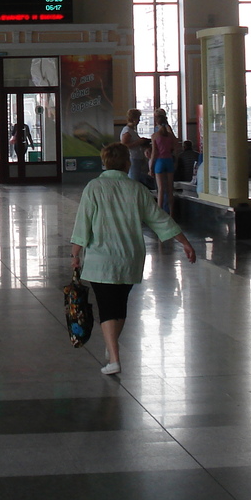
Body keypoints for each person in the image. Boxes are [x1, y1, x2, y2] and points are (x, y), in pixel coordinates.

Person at [69, 142, 197, 375]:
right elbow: (159, 219)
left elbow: (83, 222)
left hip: (101, 259)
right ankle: (112, 347)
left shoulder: (94, 187)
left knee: (107, 308)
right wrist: (184, 242)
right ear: (127, 163)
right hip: (129, 257)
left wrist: (75, 253)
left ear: (104, 162)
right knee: (119, 308)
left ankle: (114, 359)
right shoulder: (136, 189)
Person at [148, 109, 178, 214]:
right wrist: (176, 161)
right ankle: (172, 214)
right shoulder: (169, 135)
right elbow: (175, 145)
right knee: (170, 189)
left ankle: (159, 215)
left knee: (160, 190)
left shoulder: (155, 136)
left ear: (156, 122)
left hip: (159, 162)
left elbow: (154, 153)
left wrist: (151, 168)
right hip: (169, 160)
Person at [119, 109, 148, 183]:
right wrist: (138, 142)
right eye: (138, 118)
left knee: (136, 177)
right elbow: (124, 145)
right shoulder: (127, 131)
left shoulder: (132, 130)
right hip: (132, 157)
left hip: (136, 157)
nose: (139, 120)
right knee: (133, 179)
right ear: (134, 119)